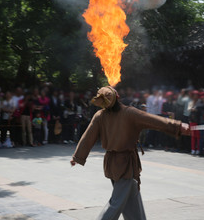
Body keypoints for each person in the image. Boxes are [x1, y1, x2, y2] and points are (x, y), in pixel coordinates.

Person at [70, 86, 189, 220]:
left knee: (132, 203)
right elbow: (154, 121)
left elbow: (88, 137)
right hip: (125, 165)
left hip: (113, 164)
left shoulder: (100, 115)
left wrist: (77, 156)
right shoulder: (128, 113)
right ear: (118, 97)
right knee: (116, 203)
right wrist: (177, 126)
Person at [188, 90, 200, 155]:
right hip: (192, 121)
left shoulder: (199, 102)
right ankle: (193, 149)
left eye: (196, 95)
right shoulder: (191, 102)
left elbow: (199, 110)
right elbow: (189, 109)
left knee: (198, 136)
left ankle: (198, 149)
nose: (195, 96)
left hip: (198, 121)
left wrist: (194, 109)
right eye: (194, 95)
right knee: (193, 136)